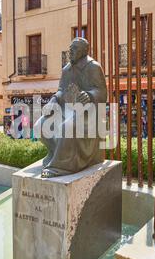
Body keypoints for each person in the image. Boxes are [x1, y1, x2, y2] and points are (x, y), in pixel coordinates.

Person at [34, 37, 107, 178]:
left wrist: (90, 95)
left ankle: (60, 167)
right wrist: (53, 100)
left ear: (84, 51)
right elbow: (61, 89)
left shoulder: (94, 67)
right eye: (70, 48)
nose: (70, 51)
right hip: (68, 109)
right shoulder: (67, 69)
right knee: (41, 125)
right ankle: (56, 154)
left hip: (90, 114)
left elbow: (102, 92)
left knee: (67, 127)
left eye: (74, 49)